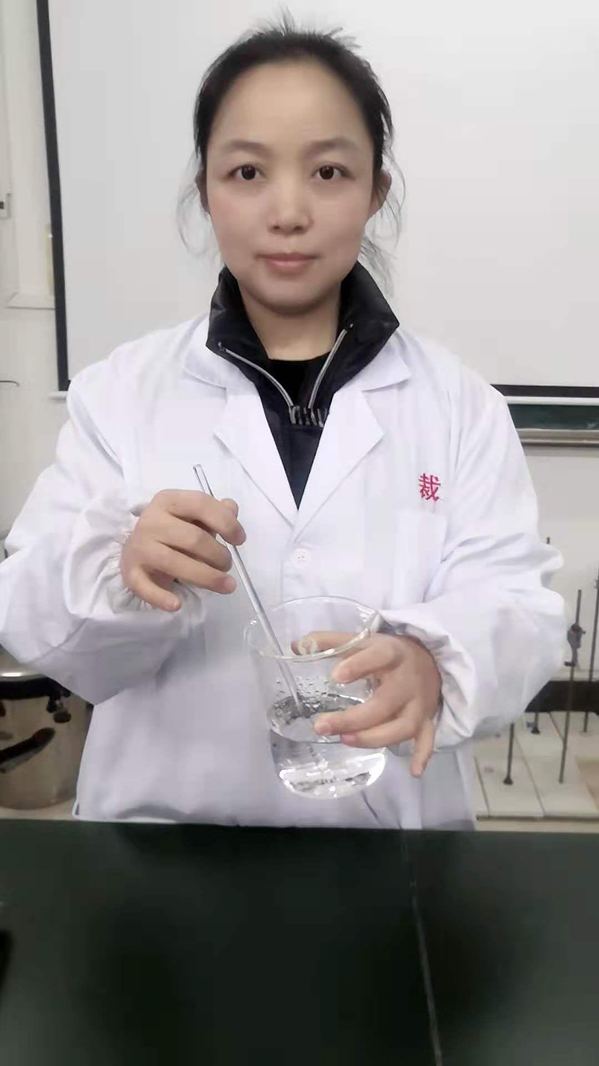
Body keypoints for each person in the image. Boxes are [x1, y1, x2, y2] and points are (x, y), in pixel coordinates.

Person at [0, 17, 565, 828]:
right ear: (205, 190)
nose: (288, 210)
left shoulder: (458, 405)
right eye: (247, 172)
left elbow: (515, 604)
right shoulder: (120, 393)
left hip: (387, 849)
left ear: (375, 190)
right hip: (162, 849)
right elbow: (35, 622)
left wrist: (434, 660)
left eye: (328, 171)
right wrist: (123, 573)